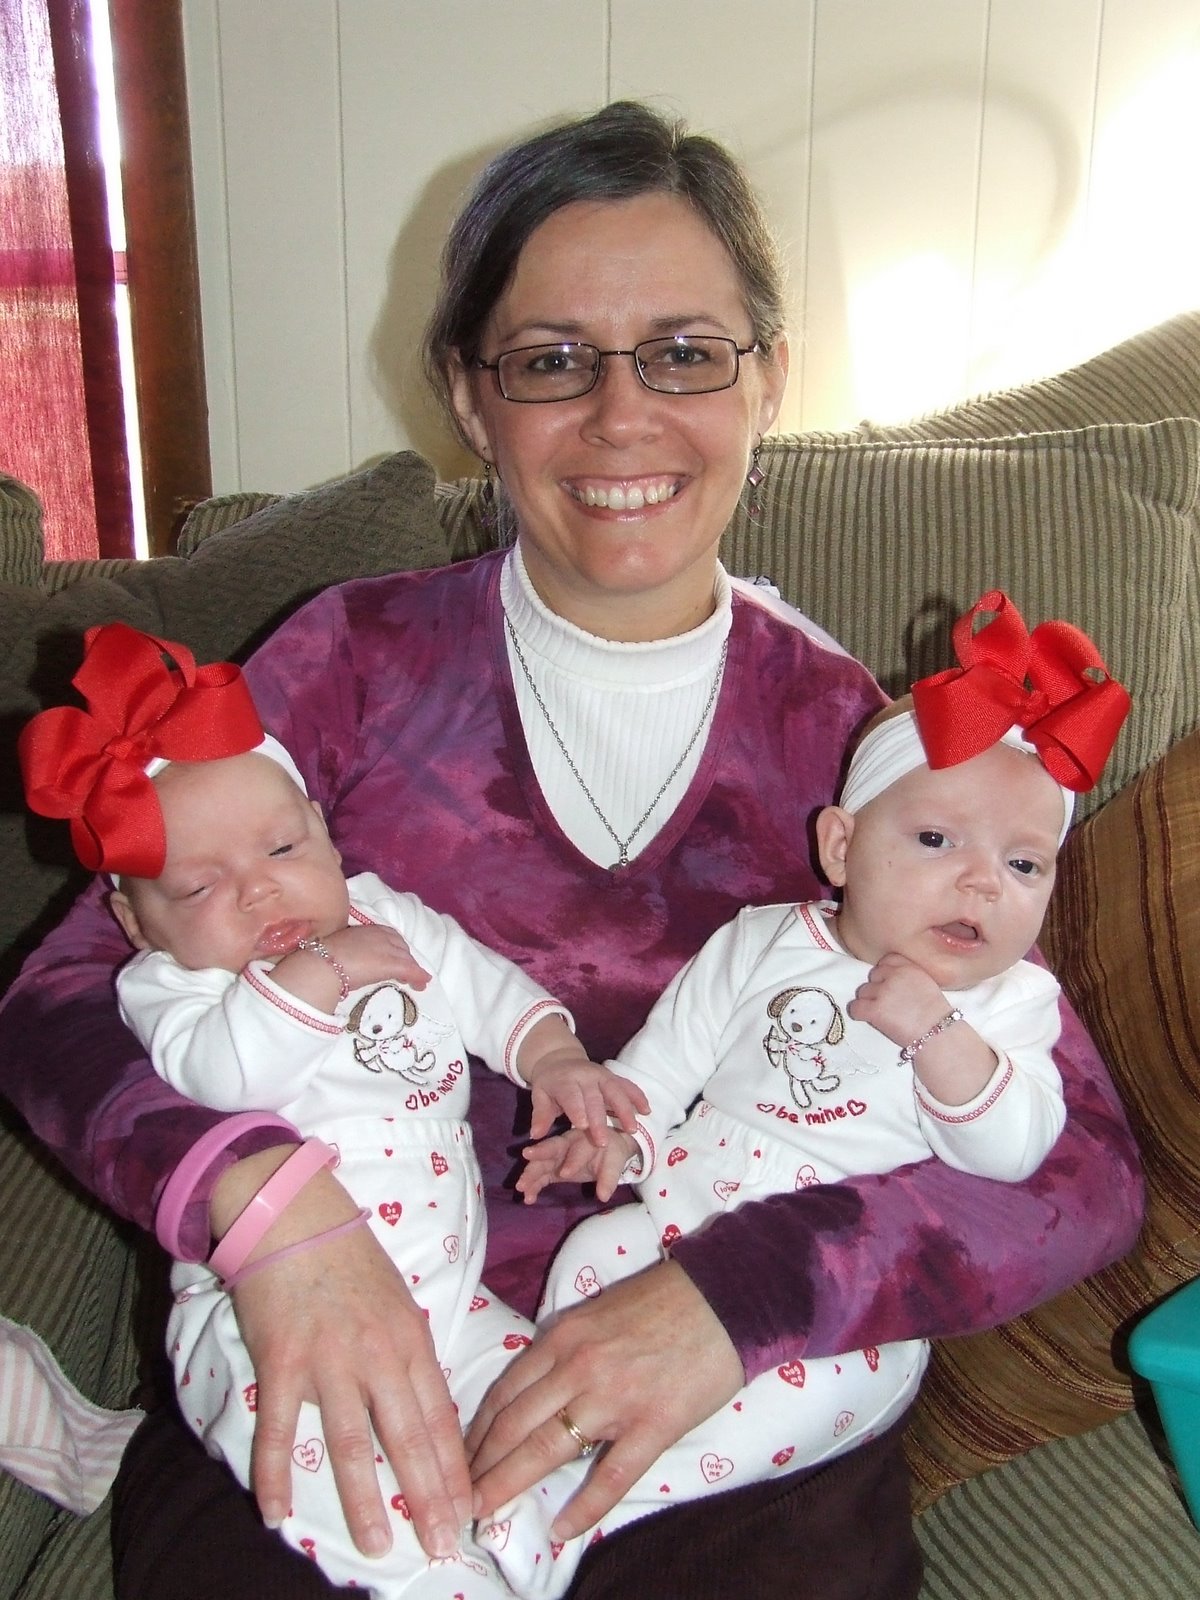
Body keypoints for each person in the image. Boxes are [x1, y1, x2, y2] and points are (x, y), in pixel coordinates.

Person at [0, 101, 1141, 1600]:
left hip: (727, 1389)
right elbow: (64, 997)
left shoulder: (869, 756)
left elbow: (1079, 1170)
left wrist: (736, 1298)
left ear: (767, 380)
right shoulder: (346, 666)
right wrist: (264, 1211)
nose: (620, 416)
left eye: (685, 353)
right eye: (551, 361)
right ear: (471, 400)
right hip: (338, 1325)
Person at [483, 590, 1128, 1595]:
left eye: (1022, 864)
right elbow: (663, 1071)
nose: (981, 884)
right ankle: (530, 1443)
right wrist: (613, 1137)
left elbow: (1015, 1151)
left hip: (835, 1322)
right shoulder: (759, 942)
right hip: (673, 1221)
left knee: (791, 1405)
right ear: (840, 846)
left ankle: (575, 1519)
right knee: (588, 1257)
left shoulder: (1010, 1005)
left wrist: (939, 1034)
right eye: (936, 841)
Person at [18, 621, 648, 1598]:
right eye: (201, 884)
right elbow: (223, 1080)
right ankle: (440, 1574)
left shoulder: (381, 912)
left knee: (543, 1412)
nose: (260, 888)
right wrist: (317, 975)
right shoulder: (171, 987)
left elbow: (482, 986)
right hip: (261, 1316)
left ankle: (535, 1543)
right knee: (355, 1487)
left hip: (452, 1301)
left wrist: (553, 1054)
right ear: (137, 921)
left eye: (282, 846)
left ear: (322, 827)